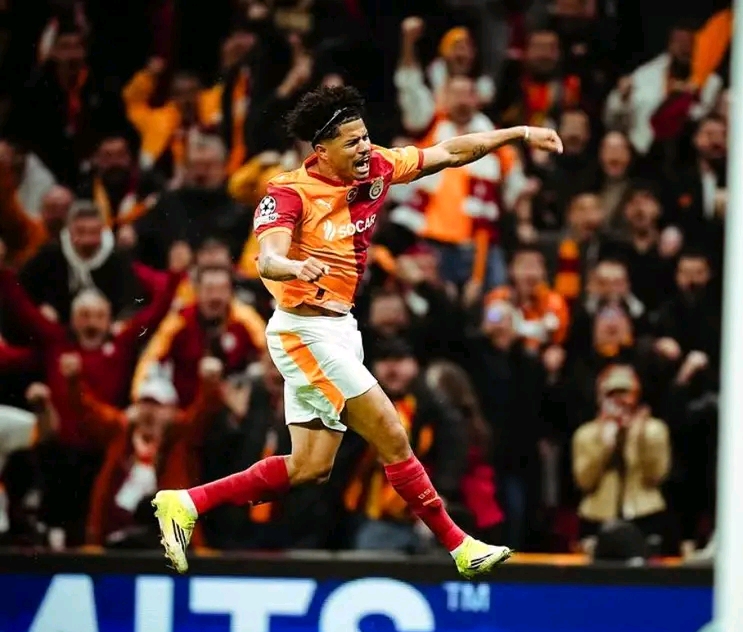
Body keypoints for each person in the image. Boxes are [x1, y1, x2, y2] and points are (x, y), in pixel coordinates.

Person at [151, 84, 564, 578]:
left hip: (341, 327)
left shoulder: (379, 167)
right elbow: (268, 256)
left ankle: (186, 503)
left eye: (365, 137)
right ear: (321, 151)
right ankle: (459, 545)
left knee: (310, 466)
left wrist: (520, 132)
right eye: (352, 142)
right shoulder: (288, 192)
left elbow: (451, 152)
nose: (365, 147)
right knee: (392, 432)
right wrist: (293, 267)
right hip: (304, 331)